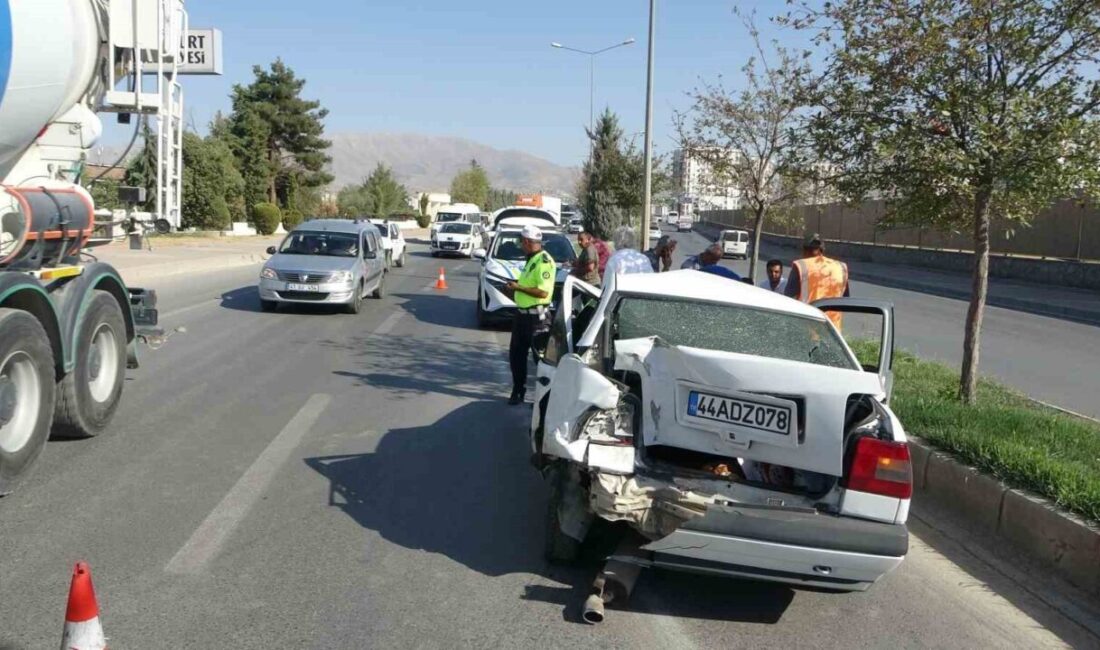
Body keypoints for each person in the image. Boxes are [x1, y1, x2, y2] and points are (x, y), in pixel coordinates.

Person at [504, 225, 556, 405]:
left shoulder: (544, 261)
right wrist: (514, 288)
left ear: (527, 241)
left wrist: (518, 287)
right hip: (522, 316)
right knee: (516, 355)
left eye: (521, 241)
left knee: (541, 361)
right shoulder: (531, 259)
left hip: (537, 319)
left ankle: (545, 400)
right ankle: (518, 391)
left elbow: (542, 292)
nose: (520, 245)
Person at [785, 234, 849, 327]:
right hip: (833, 330)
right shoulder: (840, 267)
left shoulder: (801, 266)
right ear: (822, 250)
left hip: (806, 327)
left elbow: (788, 299)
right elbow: (845, 299)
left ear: (804, 250)